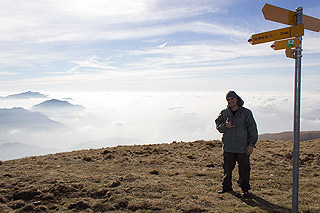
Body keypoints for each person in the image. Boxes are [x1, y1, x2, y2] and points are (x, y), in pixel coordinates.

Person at [215, 91, 258, 198]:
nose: (230, 101)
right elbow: (218, 127)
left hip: (243, 147)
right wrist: (225, 126)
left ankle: (245, 189)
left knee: (244, 169)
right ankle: (226, 187)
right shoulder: (224, 113)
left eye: (232, 99)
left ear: (237, 99)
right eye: (228, 100)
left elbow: (252, 130)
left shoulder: (246, 113)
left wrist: (251, 145)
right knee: (227, 168)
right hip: (228, 146)